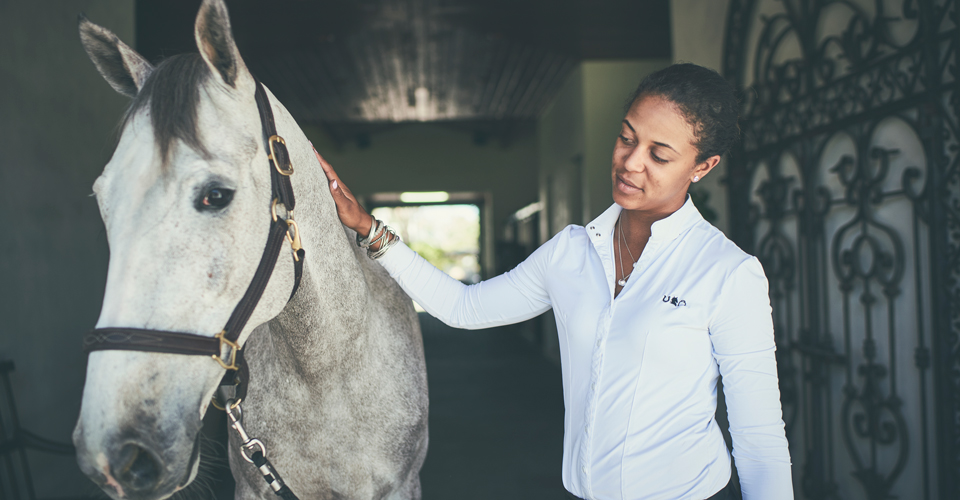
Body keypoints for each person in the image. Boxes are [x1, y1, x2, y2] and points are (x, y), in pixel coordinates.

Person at [314, 63, 792, 500]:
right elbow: (464, 308)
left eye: (659, 155)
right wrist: (368, 228)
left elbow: (759, 438)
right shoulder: (571, 251)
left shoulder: (727, 272)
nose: (630, 162)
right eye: (627, 138)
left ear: (702, 167)